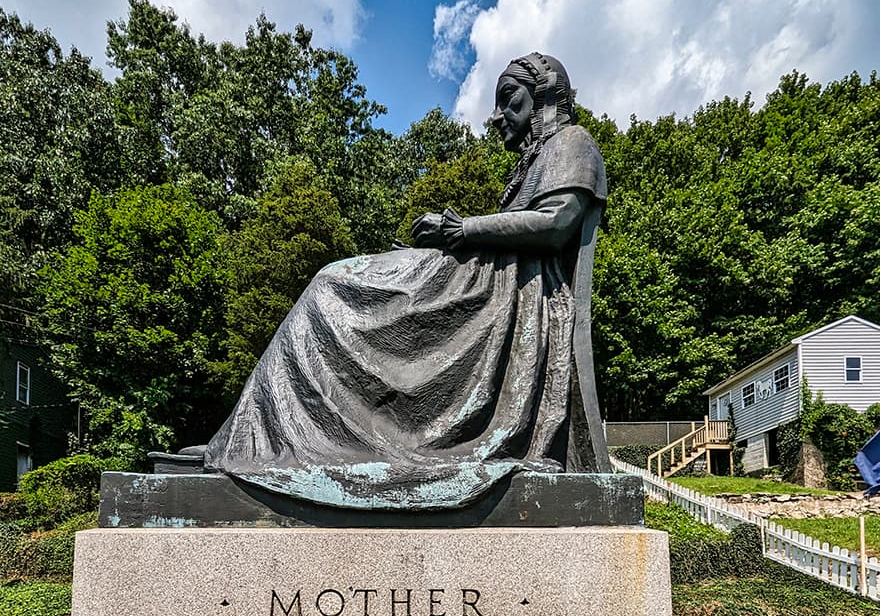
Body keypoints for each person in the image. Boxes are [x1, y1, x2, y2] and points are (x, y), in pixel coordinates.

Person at [201, 52, 610, 510]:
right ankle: (259, 437)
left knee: (331, 285)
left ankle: (271, 441)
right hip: (482, 282)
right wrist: (441, 249)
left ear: (544, 97)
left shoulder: (573, 142)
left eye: (508, 99)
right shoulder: (534, 160)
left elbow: (556, 223)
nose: (496, 117)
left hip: (508, 297)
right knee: (334, 285)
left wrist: (461, 231)